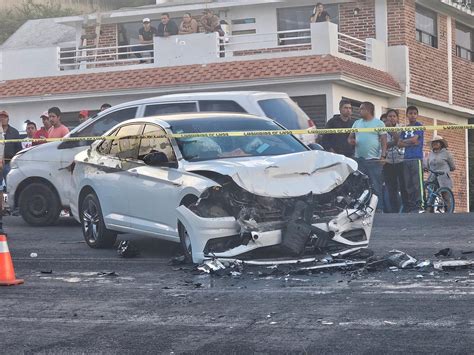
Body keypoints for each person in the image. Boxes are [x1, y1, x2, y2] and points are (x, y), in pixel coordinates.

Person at [348, 102, 387, 211]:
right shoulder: (356, 123)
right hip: (359, 159)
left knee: (376, 185)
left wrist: (383, 156)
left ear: (368, 110)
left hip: (374, 160)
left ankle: (378, 209)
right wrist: (351, 141)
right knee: (360, 186)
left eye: (361, 109)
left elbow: (384, 140)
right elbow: (350, 137)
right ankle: (362, 208)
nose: (359, 111)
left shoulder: (379, 123)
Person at [398, 106, 424, 212]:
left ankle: (420, 204)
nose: (412, 115)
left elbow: (415, 140)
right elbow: (399, 143)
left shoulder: (419, 126)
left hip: (416, 158)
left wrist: (406, 142)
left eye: (414, 113)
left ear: (417, 115)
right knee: (408, 184)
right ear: (407, 115)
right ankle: (412, 205)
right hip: (406, 158)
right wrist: (410, 142)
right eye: (410, 113)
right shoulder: (405, 128)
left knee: (417, 183)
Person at [382, 109, 406, 213]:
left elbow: (399, 141)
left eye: (394, 116)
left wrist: (392, 131)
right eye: (390, 116)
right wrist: (392, 143)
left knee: (403, 185)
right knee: (391, 187)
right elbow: (383, 145)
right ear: (386, 118)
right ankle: (393, 211)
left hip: (400, 160)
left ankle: (406, 208)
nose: (392, 118)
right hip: (388, 162)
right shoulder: (382, 129)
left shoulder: (401, 128)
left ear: (397, 118)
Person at [0, 110, 22, 188]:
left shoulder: (14, 132)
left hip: (9, 163)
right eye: (1, 117)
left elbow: (19, 149)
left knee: (11, 186)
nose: (2, 119)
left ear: (8, 119)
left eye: (4, 117)